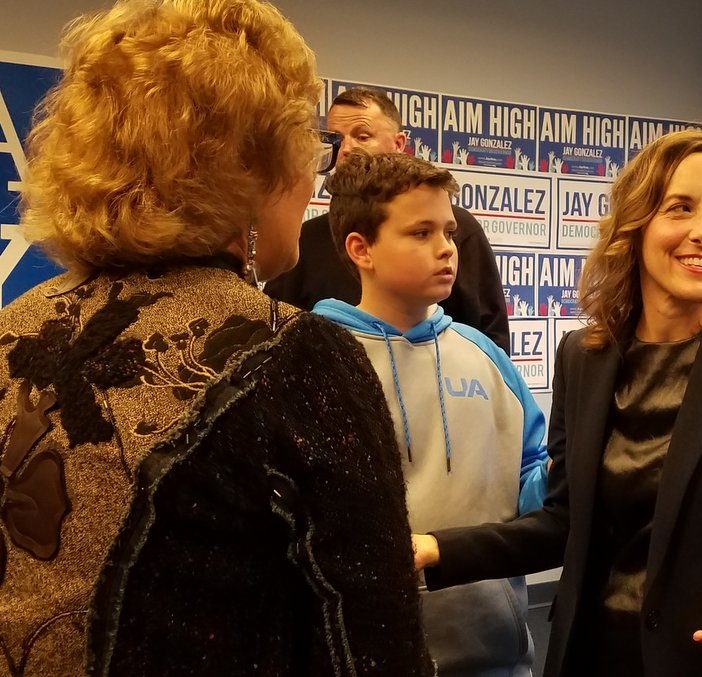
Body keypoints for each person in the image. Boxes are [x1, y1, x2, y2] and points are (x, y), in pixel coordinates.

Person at [0, 2, 431, 675]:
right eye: (308, 151)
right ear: (252, 170)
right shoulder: (296, 355)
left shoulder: (12, 328)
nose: (312, 178)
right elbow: (373, 646)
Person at [414, 130, 702, 677]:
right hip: (592, 656)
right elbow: (563, 523)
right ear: (636, 223)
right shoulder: (583, 358)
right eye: (680, 207)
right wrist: (434, 549)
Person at [313, 150, 550, 677]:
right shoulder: (315, 359)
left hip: (495, 655)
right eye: (421, 233)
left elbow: (532, 480)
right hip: (362, 658)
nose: (446, 248)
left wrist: (567, 470)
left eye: (449, 232)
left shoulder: (485, 356)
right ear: (361, 249)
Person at [265, 87, 511, 352]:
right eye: (336, 138)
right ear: (358, 248)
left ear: (399, 144)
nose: (346, 149)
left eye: (362, 136)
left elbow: (491, 341)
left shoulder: (462, 230)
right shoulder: (305, 240)